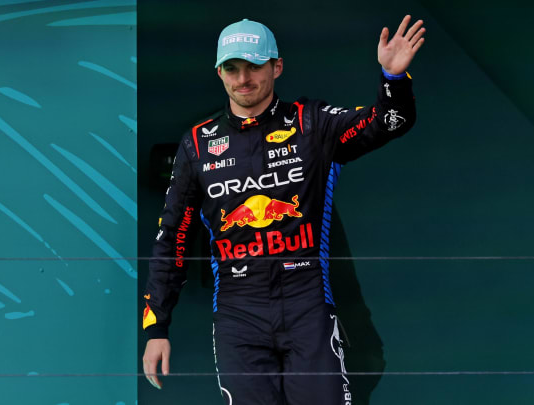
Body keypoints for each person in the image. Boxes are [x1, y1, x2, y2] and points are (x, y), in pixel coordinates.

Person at [142, 15, 425, 405]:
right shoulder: (196, 146)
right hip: (238, 312)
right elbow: (171, 240)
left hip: (306, 303)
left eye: (254, 66)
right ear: (219, 72)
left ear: (276, 66)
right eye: (232, 68)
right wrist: (157, 328)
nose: (243, 78)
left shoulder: (312, 124)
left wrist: (392, 79)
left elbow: (386, 123)